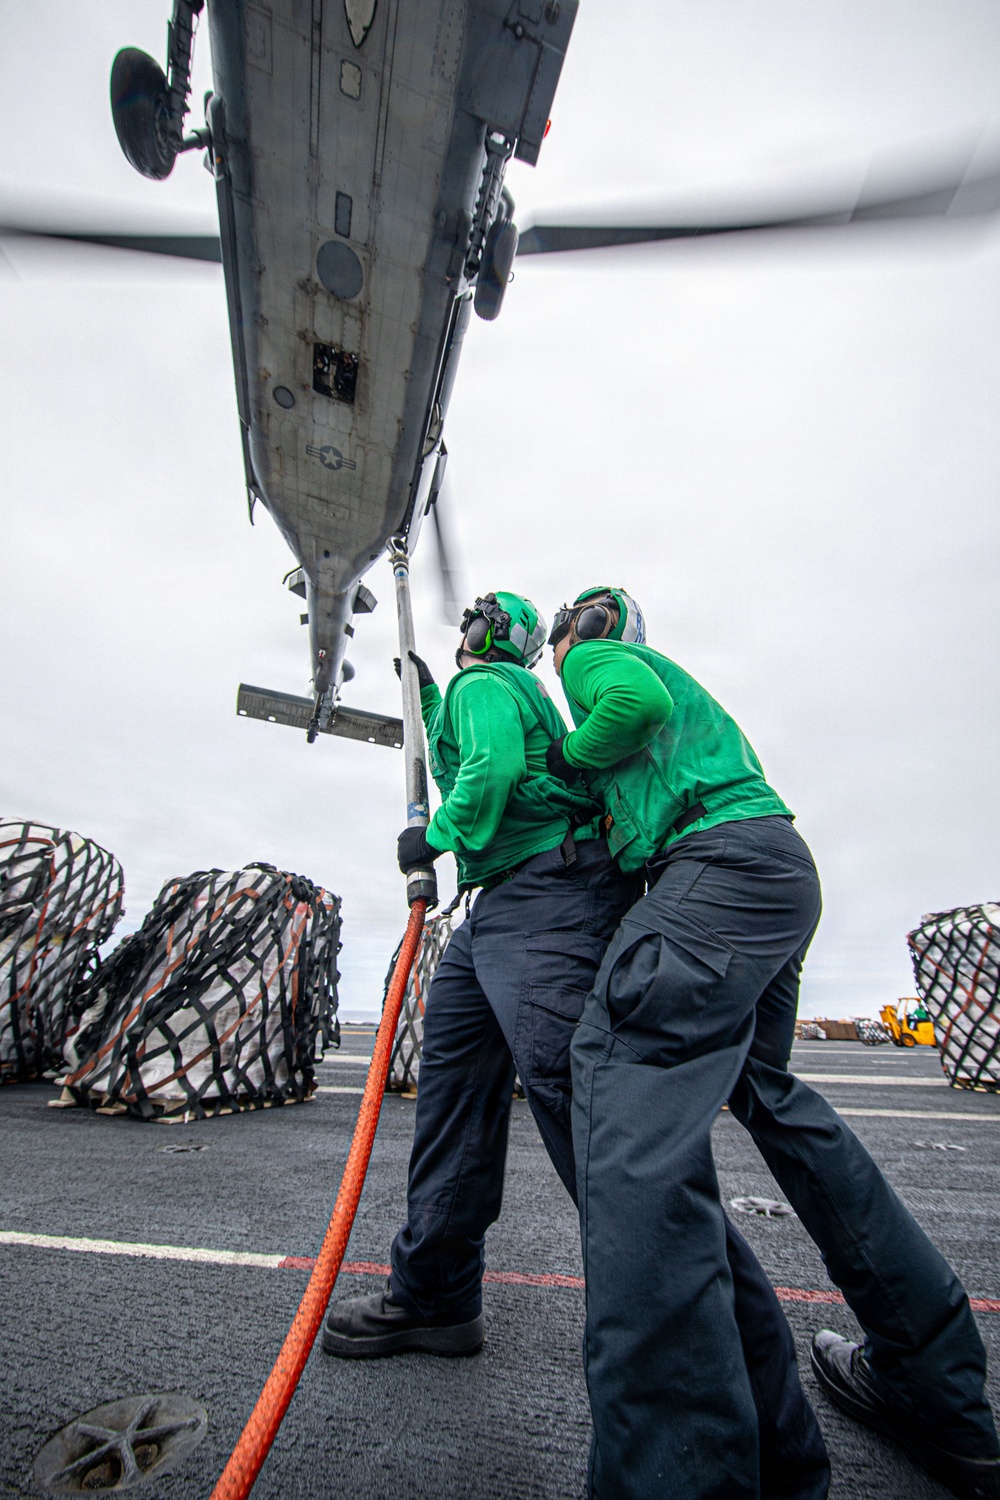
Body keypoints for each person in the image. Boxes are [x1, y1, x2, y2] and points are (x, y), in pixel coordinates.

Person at [321, 593, 831, 1500]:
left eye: (480, 625)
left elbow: (487, 770)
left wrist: (427, 838)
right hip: (498, 907)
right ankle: (435, 1289)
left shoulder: (497, 684)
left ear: (502, 639)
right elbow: (469, 747)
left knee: (612, 1149)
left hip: (544, 896)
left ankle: (763, 1432)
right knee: (452, 1094)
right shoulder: (492, 690)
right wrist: (428, 697)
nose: (471, 632)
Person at [545, 585, 1000, 1500]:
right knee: (772, 1095)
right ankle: (933, 1384)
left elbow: (634, 709)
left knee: (621, 1082)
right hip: (774, 873)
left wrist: (565, 758)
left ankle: (685, 1478)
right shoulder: (701, 730)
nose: (561, 646)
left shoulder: (595, 667)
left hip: (712, 873)